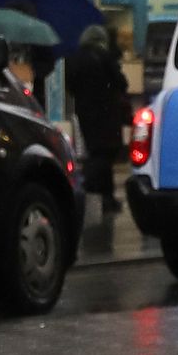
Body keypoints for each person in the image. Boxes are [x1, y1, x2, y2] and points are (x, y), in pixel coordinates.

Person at [67, 25, 132, 227]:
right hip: (107, 112)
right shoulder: (104, 57)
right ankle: (86, 186)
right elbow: (121, 82)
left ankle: (107, 197)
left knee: (97, 150)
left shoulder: (74, 58)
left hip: (86, 113)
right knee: (105, 154)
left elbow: (70, 85)